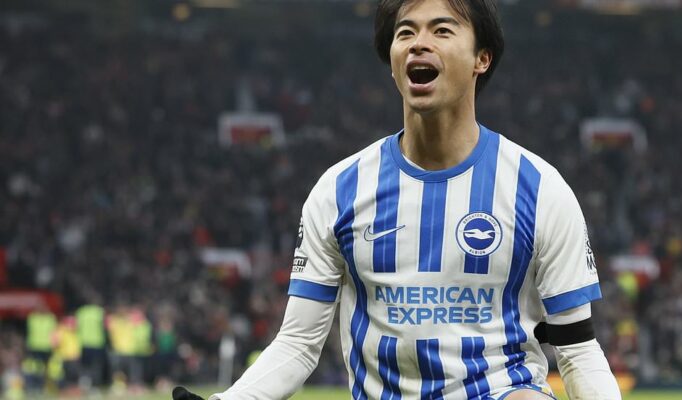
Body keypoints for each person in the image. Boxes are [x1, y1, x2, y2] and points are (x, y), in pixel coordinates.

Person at [175, 0, 621, 399]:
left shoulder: (540, 190)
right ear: (392, 63)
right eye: (405, 32)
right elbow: (298, 344)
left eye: (442, 30)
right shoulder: (339, 190)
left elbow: (577, 348)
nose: (418, 43)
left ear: (481, 58)